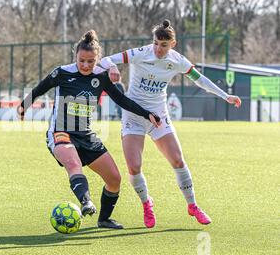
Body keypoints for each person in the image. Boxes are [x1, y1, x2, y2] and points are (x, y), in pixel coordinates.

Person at [100, 20, 242, 227]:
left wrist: (225, 96)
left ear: (172, 44)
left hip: (159, 117)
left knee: (177, 160)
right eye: (156, 43)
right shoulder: (141, 53)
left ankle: (193, 206)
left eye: (163, 45)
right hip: (134, 117)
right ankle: (147, 204)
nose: (158, 48)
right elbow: (104, 59)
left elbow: (199, 79)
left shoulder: (178, 61)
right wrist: (112, 66)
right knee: (134, 166)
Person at [17, 30, 161, 229]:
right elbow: (39, 89)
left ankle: (104, 219)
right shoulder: (62, 73)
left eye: (90, 61)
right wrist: (23, 106)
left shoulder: (101, 77)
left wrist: (147, 114)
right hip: (61, 132)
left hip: (85, 134)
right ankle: (86, 202)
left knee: (114, 179)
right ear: (75, 56)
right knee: (73, 165)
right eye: (81, 60)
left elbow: (122, 100)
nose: (85, 65)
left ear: (97, 59)